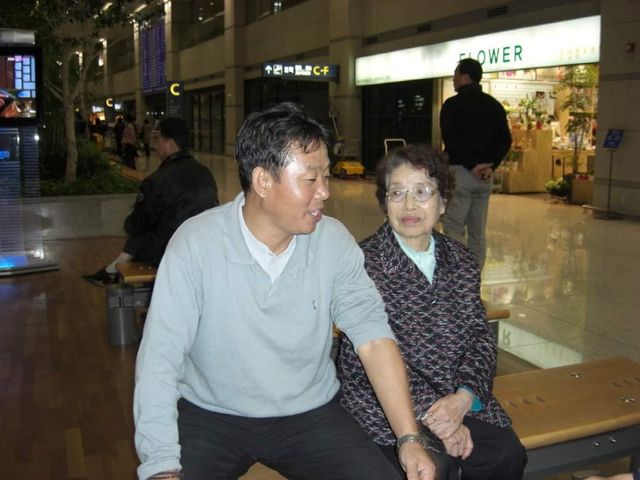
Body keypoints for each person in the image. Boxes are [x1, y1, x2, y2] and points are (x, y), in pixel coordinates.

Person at [133, 103, 436, 480]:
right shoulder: (196, 244)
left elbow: (373, 338)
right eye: (310, 179)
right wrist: (161, 463)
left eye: (325, 176)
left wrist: (409, 438)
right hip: (211, 414)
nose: (324, 192)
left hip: (308, 412)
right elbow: (160, 358)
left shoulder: (332, 241)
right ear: (263, 181)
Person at [336, 144, 527, 480]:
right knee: (434, 468)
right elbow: (364, 359)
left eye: (422, 192)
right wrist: (435, 416)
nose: (409, 205)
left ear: (443, 202)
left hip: (455, 397)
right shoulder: (363, 265)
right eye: (397, 193)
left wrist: (464, 398)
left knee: (505, 455)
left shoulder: (461, 260)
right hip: (384, 406)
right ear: (384, 203)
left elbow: (479, 337)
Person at [82, 117, 219, 286]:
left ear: (170, 143)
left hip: (169, 252)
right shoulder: (205, 173)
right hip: (204, 247)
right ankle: (114, 267)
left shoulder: (157, 180)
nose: (155, 146)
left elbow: (137, 224)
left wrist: (131, 220)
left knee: (144, 226)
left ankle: (116, 267)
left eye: (158, 140)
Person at [439, 58, 512, 270]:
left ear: (465, 77)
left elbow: (451, 141)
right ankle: (474, 276)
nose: (453, 79)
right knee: (477, 232)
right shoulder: (494, 105)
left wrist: (472, 165)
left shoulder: (452, 106)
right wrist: (491, 167)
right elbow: (506, 140)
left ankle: (459, 276)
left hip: (461, 174)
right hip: (485, 177)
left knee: (453, 225)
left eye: (455, 75)